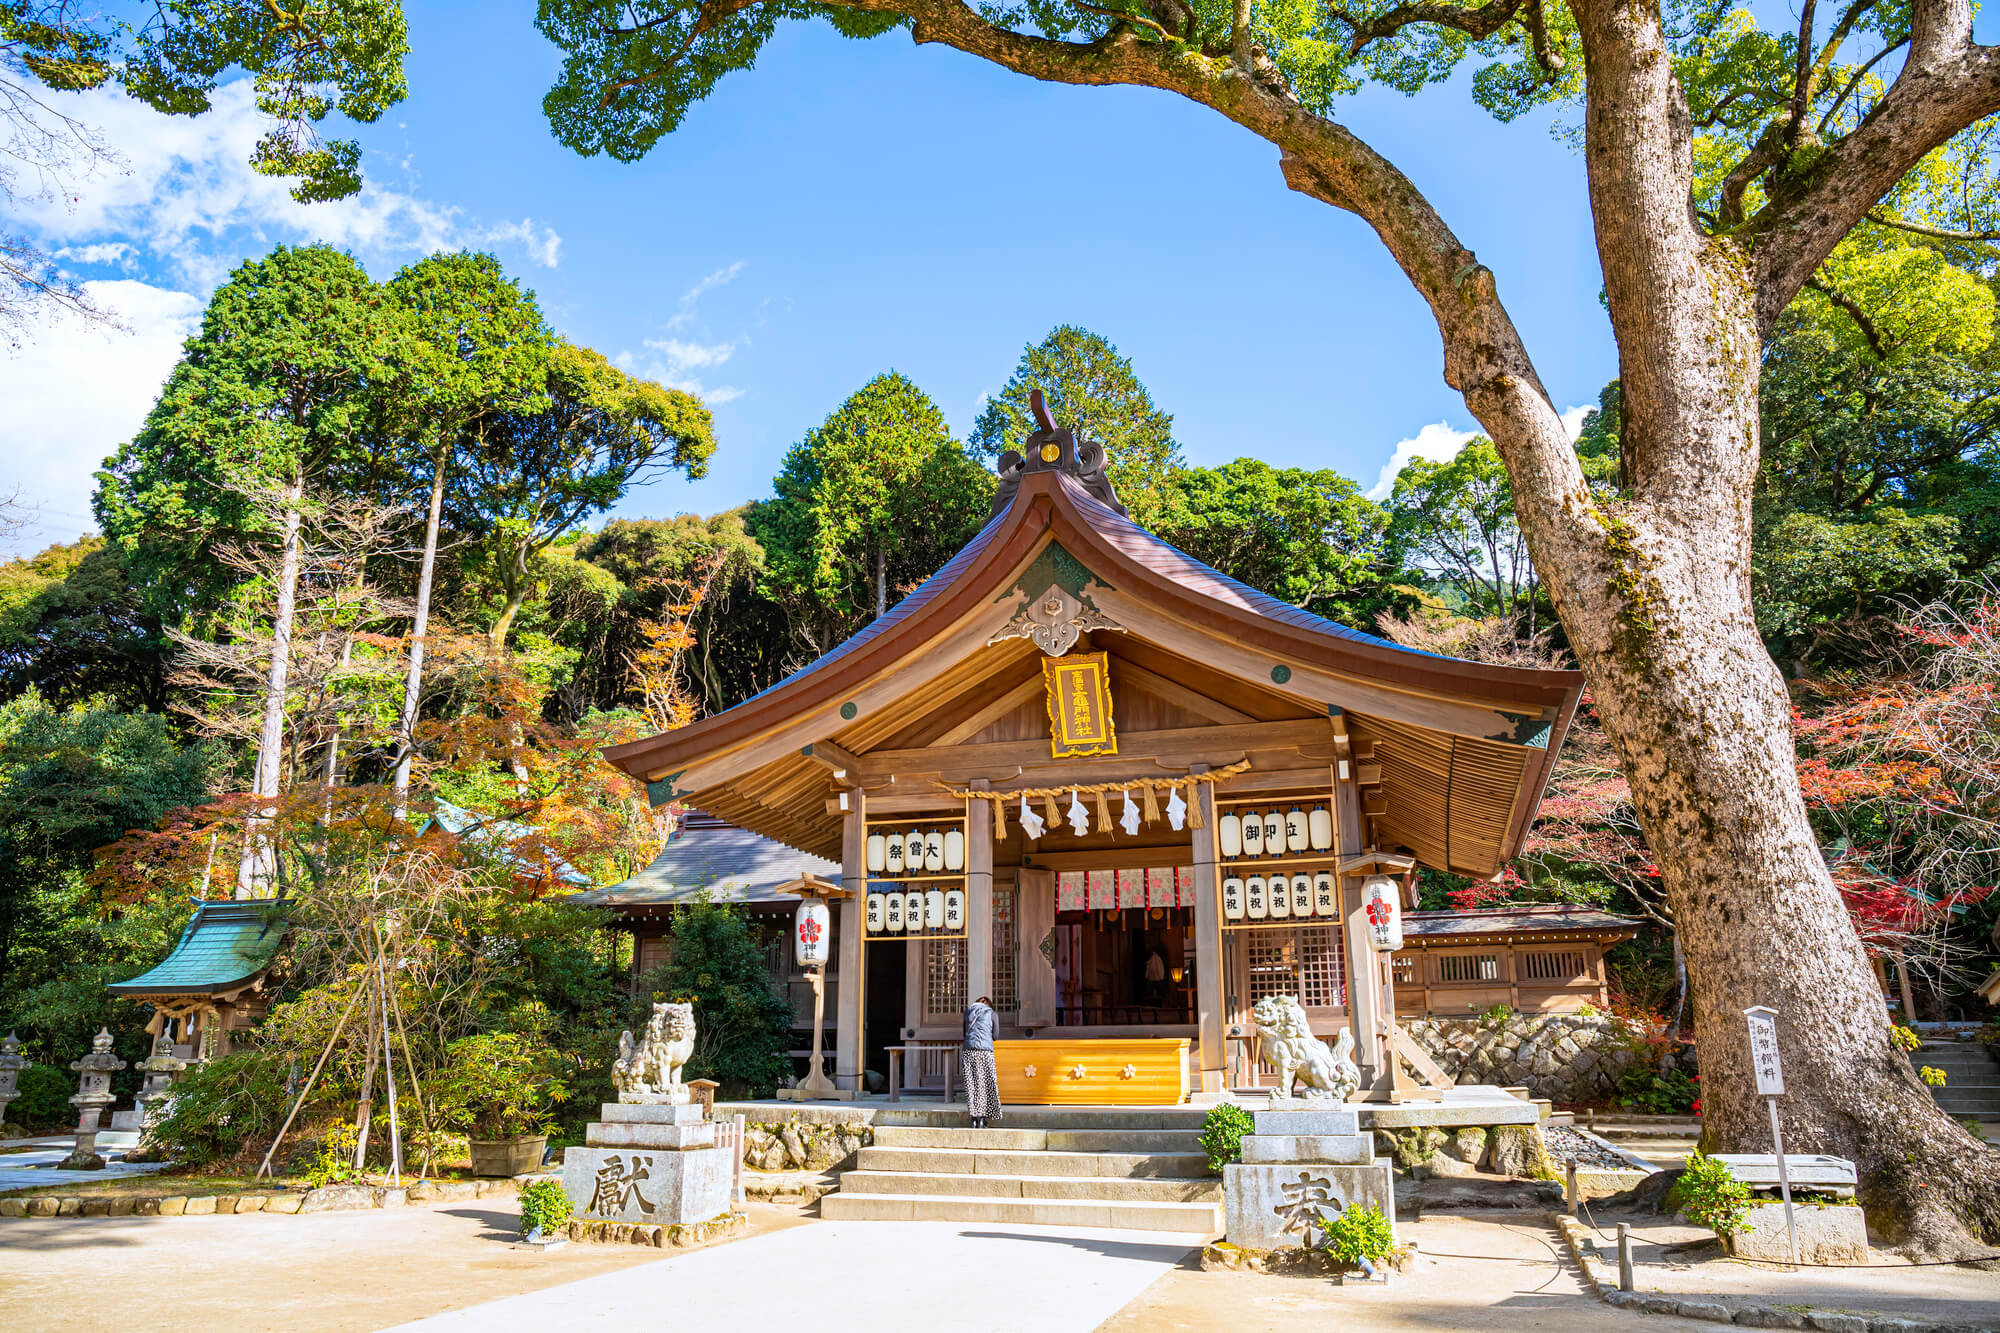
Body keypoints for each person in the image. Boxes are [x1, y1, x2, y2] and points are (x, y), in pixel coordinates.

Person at [960, 994, 1001, 1128]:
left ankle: (973, 1119)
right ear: (988, 1005)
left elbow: (964, 1033)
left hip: (969, 1051)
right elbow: (995, 1036)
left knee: (972, 1085)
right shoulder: (992, 1014)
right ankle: (982, 1119)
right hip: (985, 1052)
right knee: (985, 1084)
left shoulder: (967, 1012)